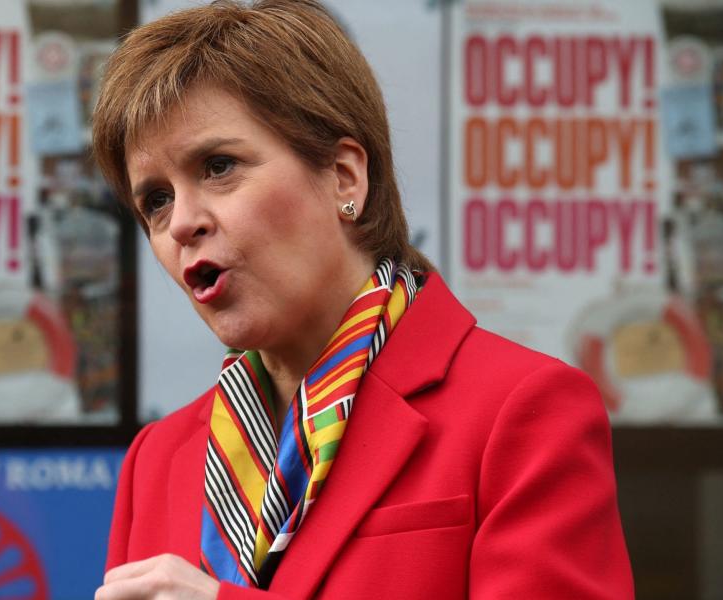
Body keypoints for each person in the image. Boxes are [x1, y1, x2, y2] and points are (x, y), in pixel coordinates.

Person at [91, 1, 634, 598]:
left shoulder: (523, 410)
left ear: (345, 177)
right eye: (156, 200)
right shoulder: (157, 459)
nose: (181, 223)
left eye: (219, 166)